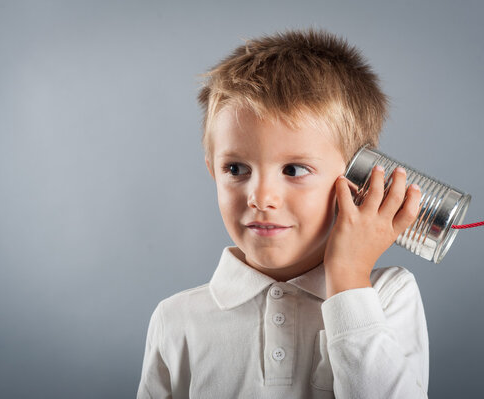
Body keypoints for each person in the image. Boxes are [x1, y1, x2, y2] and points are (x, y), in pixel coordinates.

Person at [137, 28, 428, 398]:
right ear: (212, 169)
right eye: (236, 169)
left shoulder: (388, 296)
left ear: (359, 180)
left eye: (293, 170)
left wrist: (349, 278)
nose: (260, 197)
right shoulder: (176, 319)